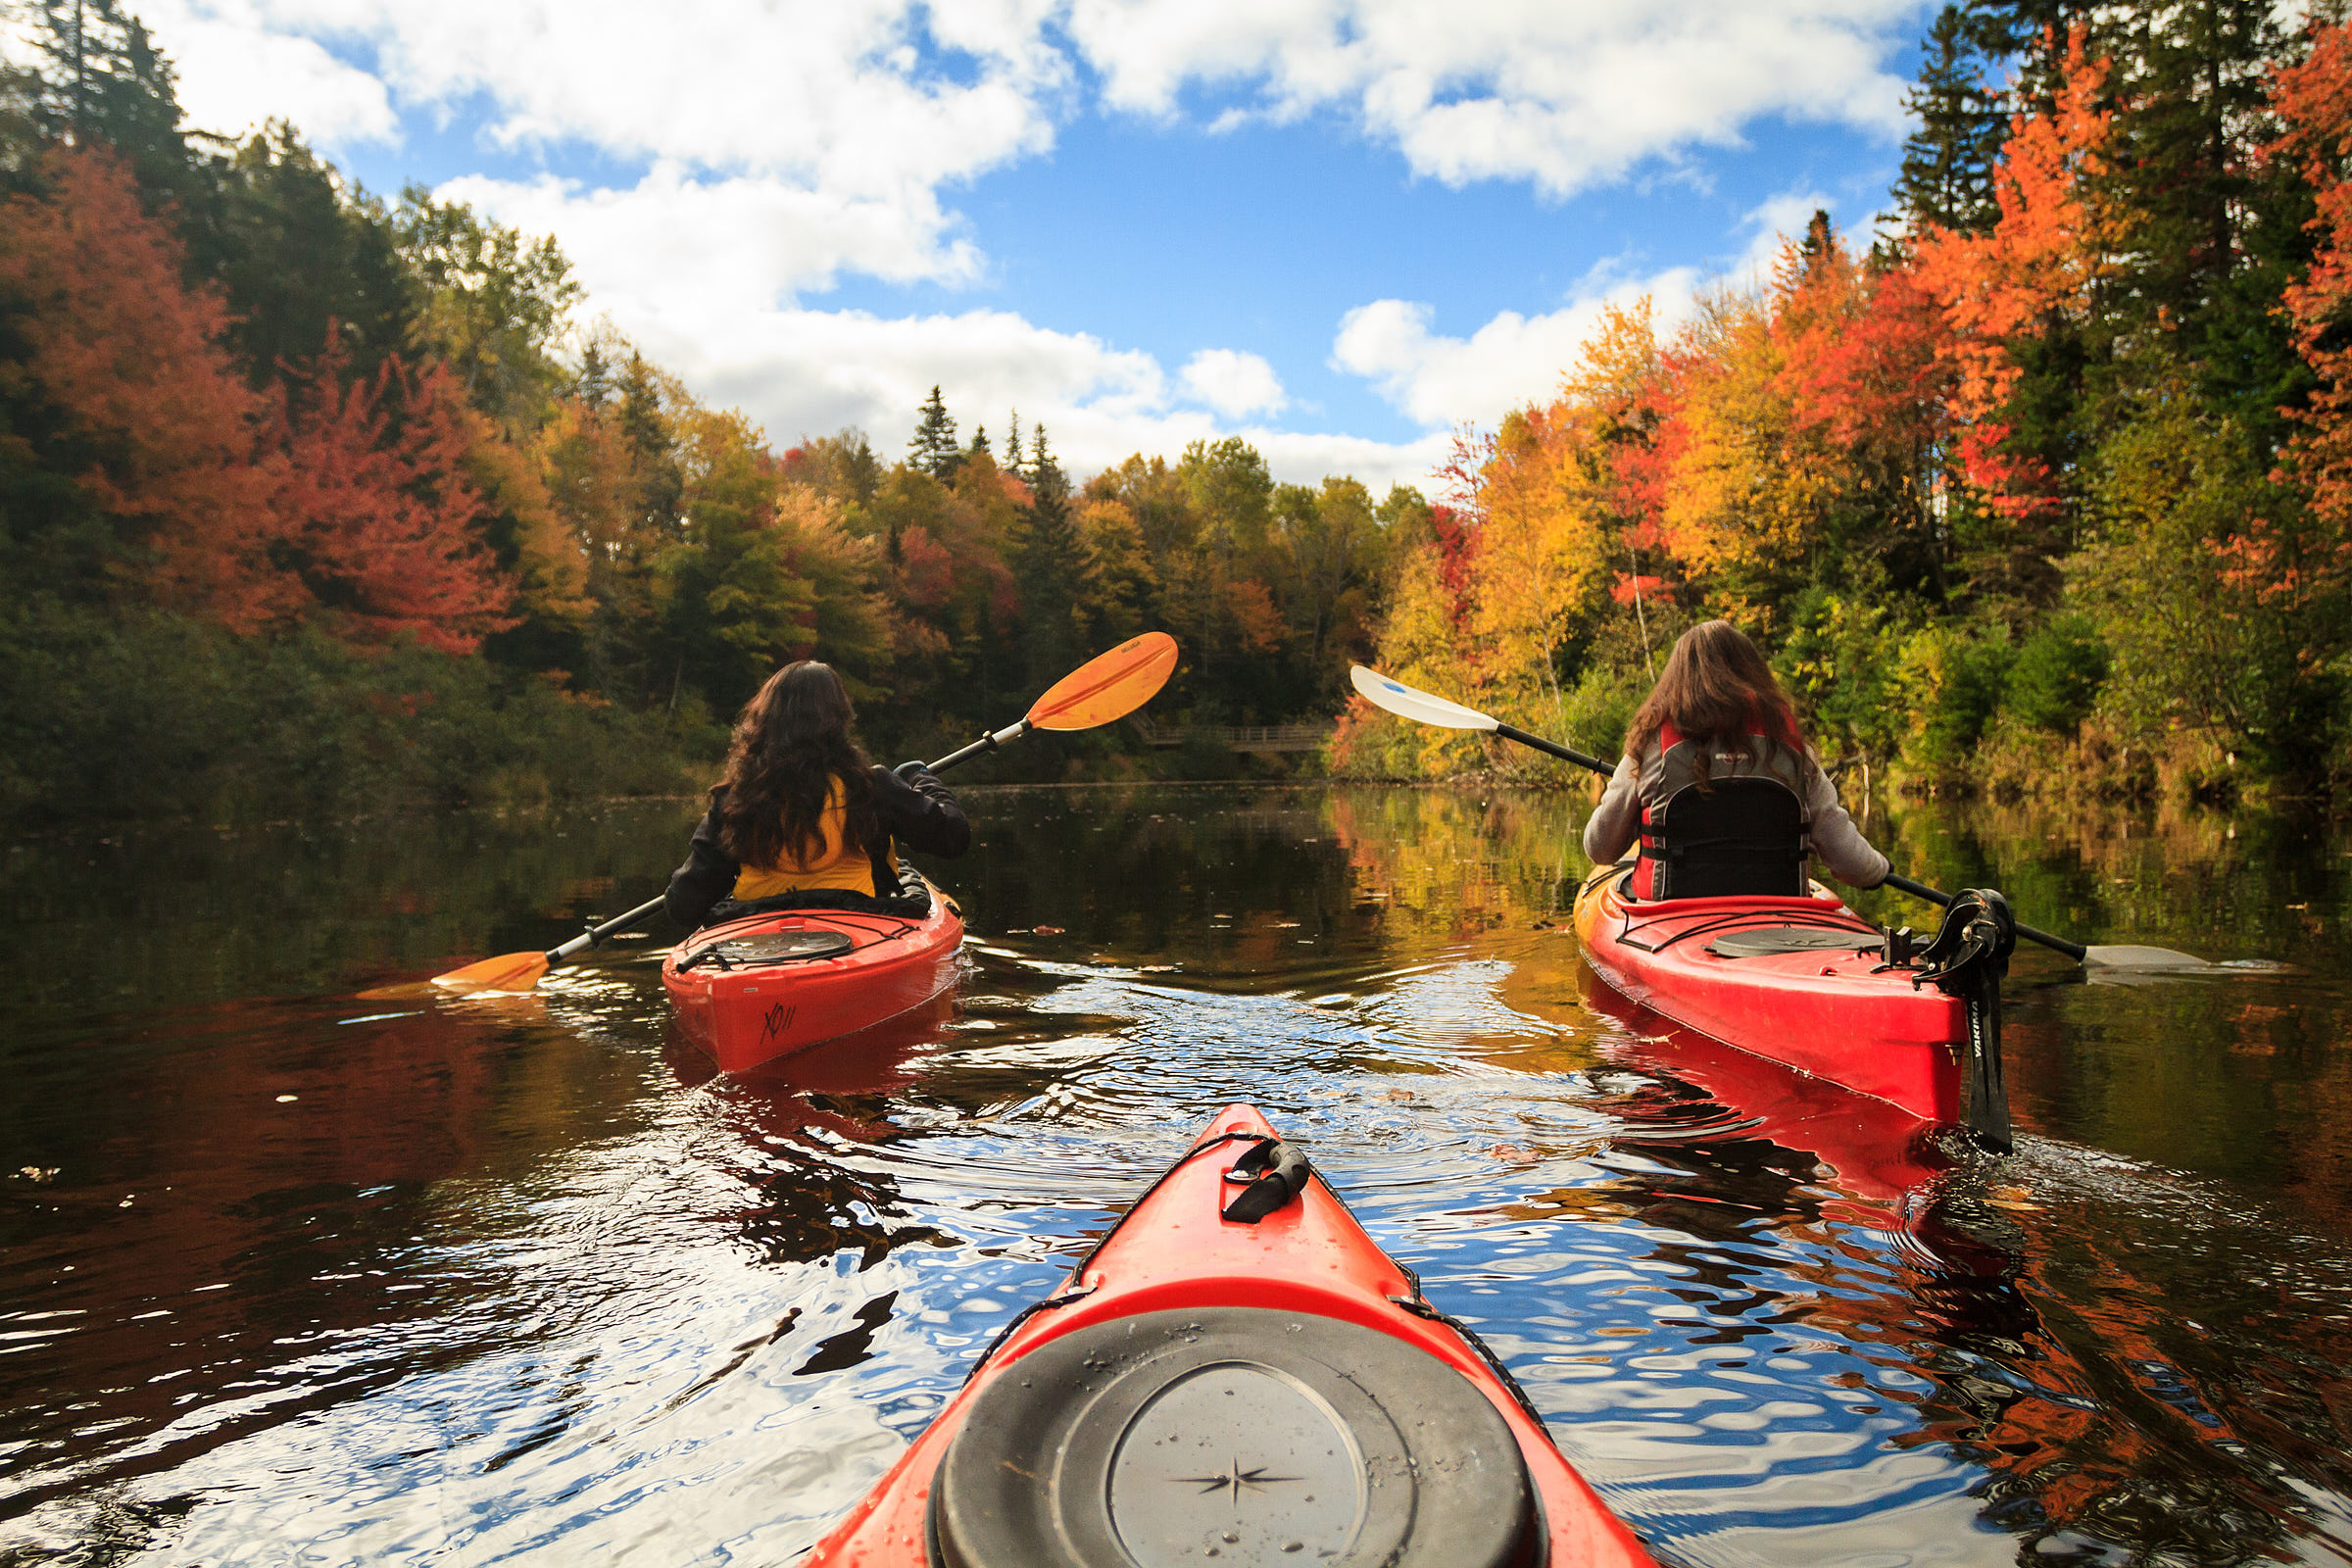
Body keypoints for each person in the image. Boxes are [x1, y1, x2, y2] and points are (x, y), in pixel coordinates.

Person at [1583, 620, 1887, 900]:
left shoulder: (1651, 746)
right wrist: (1880, 870)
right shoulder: (1793, 749)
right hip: (1780, 918)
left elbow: (1601, 848)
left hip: (1670, 916)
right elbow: (1854, 866)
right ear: (1753, 673)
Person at [666, 661, 970, 931]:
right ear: (837, 720)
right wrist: (922, 779)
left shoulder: (736, 799)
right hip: (862, 928)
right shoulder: (870, 786)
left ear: (765, 722)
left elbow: (683, 907)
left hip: (757, 939)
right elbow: (953, 837)